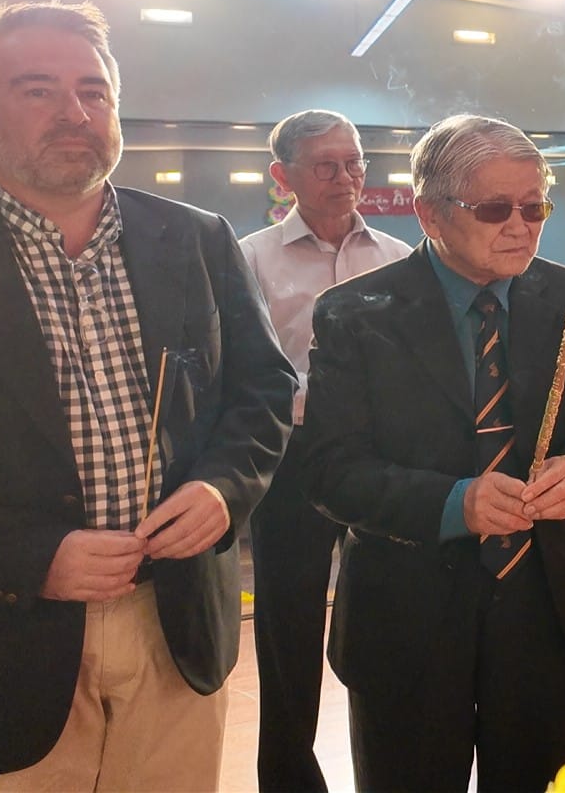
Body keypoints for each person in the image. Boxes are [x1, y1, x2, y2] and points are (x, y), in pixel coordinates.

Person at [0, 1, 294, 787]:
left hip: (176, 627)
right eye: (38, 91)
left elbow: (262, 390)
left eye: (94, 91)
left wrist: (223, 490)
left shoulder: (196, 239)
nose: (75, 113)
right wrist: (33, 557)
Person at [299, 114, 565, 790]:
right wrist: (456, 503)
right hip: (408, 619)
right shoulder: (356, 313)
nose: (521, 227)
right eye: (495, 209)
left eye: (535, 207)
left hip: (546, 614)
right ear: (430, 213)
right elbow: (331, 471)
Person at [239, 109, 412, 791]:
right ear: (282, 176)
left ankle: (390, 764)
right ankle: (289, 778)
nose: (346, 178)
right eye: (325, 166)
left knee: (388, 614)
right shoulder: (251, 257)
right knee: (288, 626)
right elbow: (248, 371)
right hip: (293, 456)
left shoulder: (398, 257)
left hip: (380, 457)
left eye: (355, 162)